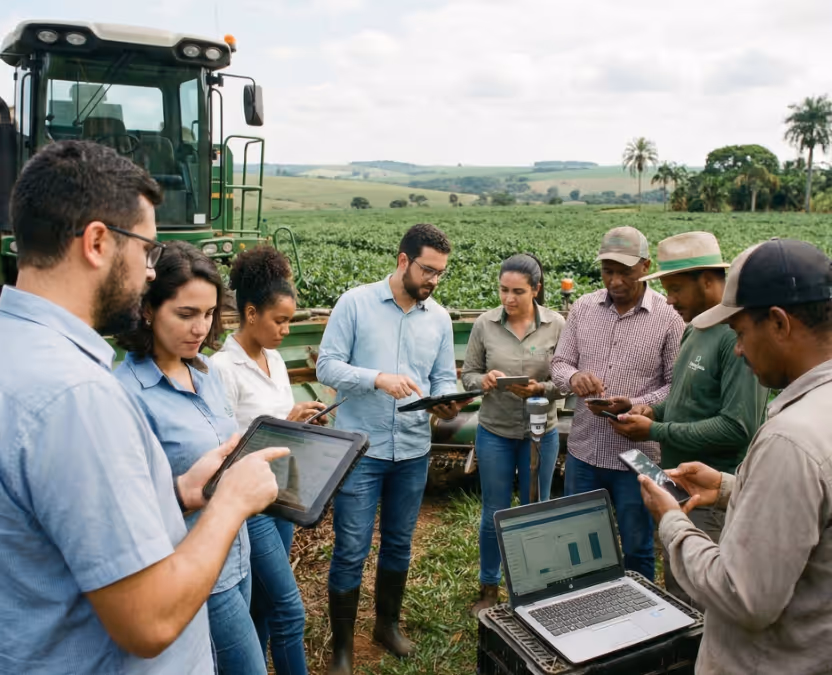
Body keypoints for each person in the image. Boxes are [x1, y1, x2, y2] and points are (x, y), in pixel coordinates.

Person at [0, 140, 283, 674]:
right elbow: (148, 621)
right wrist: (229, 503)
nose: (152, 271)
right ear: (97, 243)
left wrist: (178, 493)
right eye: (148, 250)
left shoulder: (17, 348)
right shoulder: (77, 397)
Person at [638, 238, 832, 675]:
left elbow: (743, 596)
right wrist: (730, 487)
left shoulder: (791, 440)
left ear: (778, 323)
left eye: (741, 333)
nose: (739, 349)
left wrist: (672, 521)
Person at [316, 223, 467, 675]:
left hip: (414, 449)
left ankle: (386, 626)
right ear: (403, 260)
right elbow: (327, 366)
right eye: (427, 270)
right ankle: (343, 647)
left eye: (440, 273)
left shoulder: (439, 319)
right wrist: (376, 378)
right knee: (351, 548)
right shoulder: (355, 303)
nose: (433, 280)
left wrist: (446, 401)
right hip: (362, 450)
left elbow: (442, 377)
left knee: (399, 543)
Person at [114, 240, 266, 674]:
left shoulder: (205, 371)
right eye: (186, 314)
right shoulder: (126, 396)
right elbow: (126, 507)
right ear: (147, 309)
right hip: (195, 572)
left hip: (237, 552)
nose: (200, 328)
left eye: (209, 313)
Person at [608, 232, 768, 607]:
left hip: (710, 500)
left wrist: (655, 430)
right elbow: (686, 399)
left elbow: (737, 427)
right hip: (679, 487)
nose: (670, 300)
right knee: (679, 588)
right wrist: (652, 411)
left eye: (676, 289)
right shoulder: (694, 328)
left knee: (704, 599)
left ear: (708, 281)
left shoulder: (735, 337)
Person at [212, 246, 327, 675]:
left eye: (289, 321)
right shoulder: (222, 369)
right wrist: (285, 422)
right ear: (251, 313)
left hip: (282, 494)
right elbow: (224, 448)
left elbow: (278, 423)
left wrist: (301, 422)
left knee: (262, 605)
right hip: (252, 509)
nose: (285, 330)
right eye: (279, 320)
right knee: (289, 610)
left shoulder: (274, 359)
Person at [550, 226, 684, 581]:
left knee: (637, 546)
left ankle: (640, 609)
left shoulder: (669, 317)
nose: (615, 281)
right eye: (607, 271)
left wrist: (636, 404)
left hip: (638, 459)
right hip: (584, 451)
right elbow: (559, 363)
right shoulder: (583, 308)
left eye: (625, 271)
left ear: (646, 266)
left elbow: (676, 386)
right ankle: (588, 602)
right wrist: (574, 378)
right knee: (579, 544)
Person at [461, 253, 565, 615]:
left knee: (537, 508)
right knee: (495, 510)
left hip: (541, 433)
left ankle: (534, 585)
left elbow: (566, 381)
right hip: (496, 431)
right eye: (503, 290)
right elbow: (468, 375)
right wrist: (484, 380)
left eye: (517, 291)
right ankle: (489, 586)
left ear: (536, 289)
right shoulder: (485, 325)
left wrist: (540, 389)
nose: (508, 298)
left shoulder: (557, 325)